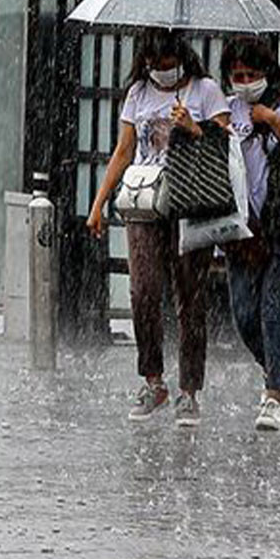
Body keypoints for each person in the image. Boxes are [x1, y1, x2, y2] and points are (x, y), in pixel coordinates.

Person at [86, 30, 230, 427]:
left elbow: (225, 144)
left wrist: (193, 127)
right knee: (143, 290)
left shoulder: (205, 91)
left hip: (190, 202)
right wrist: (99, 202)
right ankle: (153, 380)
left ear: (181, 57)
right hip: (146, 203)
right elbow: (124, 149)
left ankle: (189, 389)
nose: (162, 72)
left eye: (168, 64)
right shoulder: (137, 93)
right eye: (155, 65)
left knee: (190, 296)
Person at [219, 36, 280, 430]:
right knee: (243, 313)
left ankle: (275, 393)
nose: (243, 81)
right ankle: (274, 367)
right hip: (242, 227)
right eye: (237, 75)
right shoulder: (225, 108)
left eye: (251, 74)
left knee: (272, 306)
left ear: (265, 73)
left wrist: (271, 119)